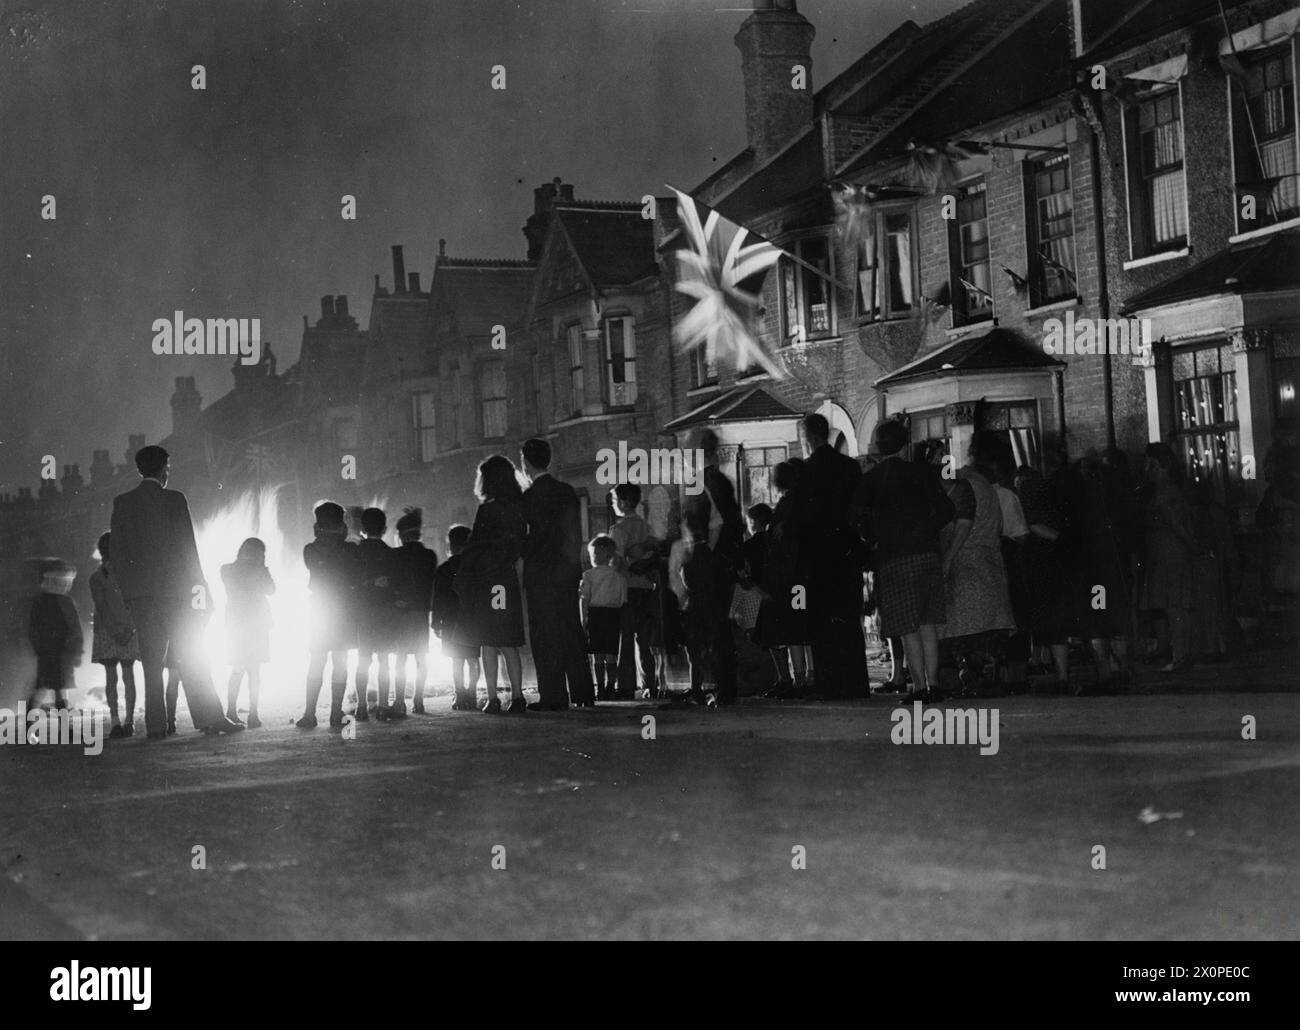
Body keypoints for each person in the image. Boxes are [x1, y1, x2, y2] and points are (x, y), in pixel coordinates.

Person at [109, 445, 241, 739]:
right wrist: (201, 590)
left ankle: (155, 726)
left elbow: (117, 553)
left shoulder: (122, 503)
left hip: (141, 597)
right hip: (177, 595)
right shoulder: (174, 499)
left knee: (152, 664)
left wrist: (129, 592)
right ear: (164, 468)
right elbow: (187, 550)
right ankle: (210, 718)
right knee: (192, 657)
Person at [855, 419, 955, 704]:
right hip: (926, 552)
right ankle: (934, 684)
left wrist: (875, 537)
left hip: (894, 557)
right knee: (927, 622)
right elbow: (947, 509)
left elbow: (857, 518)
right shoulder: (920, 473)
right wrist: (925, 529)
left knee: (907, 625)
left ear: (878, 444)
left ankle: (920, 687)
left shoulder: (872, 479)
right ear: (903, 444)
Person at [939, 431, 1016, 694]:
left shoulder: (966, 485)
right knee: (988, 628)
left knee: (967, 629)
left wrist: (947, 558)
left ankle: (973, 678)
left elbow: (962, 523)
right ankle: (989, 677)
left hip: (968, 564)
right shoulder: (989, 487)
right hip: (990, 563)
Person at [520, 438, 594, 710]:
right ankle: (583, 691)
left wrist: (525, 549)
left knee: (545, 635)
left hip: (540, 574)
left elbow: (533, 536)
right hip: (566, 571)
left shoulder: (528, 498)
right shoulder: (566, 492)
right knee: (570, 629)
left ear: (525, 463)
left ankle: (553, 695)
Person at [451, 455, 528, 715]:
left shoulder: (489, 509)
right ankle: (517, 696)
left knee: (487, 641)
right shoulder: (519, 507)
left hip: (486, 579)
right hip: (505, 577)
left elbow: (475, 545)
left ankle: (493, 697)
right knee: (507, 640)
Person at [799, 413, 868, 699]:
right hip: (847, 551)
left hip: (818, 555)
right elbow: (860, 508)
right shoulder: (849, 467)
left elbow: (801, 517)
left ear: (809, 437)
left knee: (822, 620)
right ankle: (855, 682)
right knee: (850, 618)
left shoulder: (807, 471)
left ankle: (829, 682)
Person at [682, 430, 743, 704]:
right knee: (717, 627)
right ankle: (721, 685)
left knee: (710, 627)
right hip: (716, 561)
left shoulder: (700, 482)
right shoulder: (719, 481)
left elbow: (708, 525)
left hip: (706, 562)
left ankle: (718, 687)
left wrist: (702, 555)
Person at [1141, 442, 1200, 672]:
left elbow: (1177, 524)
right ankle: (1179, 654)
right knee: (1172, 605)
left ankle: (1181, 656)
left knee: (1175, 605)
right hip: (1166, 553)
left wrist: (1192, 546)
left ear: (1162, 465)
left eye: (1151, 464)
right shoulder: (1165, 490)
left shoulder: (1165, 492)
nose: (1147, 470)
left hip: (1170, 554)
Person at [298, 501, 357, 729]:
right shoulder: (350, 550)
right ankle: (335, 713)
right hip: (343, 609)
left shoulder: (310, 550)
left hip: (319, 608)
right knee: (340, 661)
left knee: (316, 661)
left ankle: (309, 713)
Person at [757, 461, 813, 696]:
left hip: (790, 576)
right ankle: (809, 675)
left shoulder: (786, 505)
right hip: (803, 574)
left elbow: (778, 540)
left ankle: (801, 678)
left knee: (794, 629)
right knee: (803, 628)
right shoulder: (802, 502)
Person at [609, 483, 659, 699]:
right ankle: (650, 684)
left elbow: (616, 562)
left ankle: (626, 686)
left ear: (623, 502)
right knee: (644, 640)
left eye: (614, 500)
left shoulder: (617, 530)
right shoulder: (646, 527)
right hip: (646, 587)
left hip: (627, 588)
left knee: (625, 639)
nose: (613, 504)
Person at [89, 532, 140, 738]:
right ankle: (126, 721)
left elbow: (102, 608)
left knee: (113, 678)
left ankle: (118, 722)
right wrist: (128, 628)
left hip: (109, 631)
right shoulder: (128, 573)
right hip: (121, 631)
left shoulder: (96, 577)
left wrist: (118, 630)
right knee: (127, 677)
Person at [220, 537, 274, 728]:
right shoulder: (258, 570)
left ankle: (232, 711)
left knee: (237, 669)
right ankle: (253, 714)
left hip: (237, 624)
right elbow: (271, 589)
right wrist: (262, 568)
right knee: (254, 671)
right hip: (255, 623)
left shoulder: (227, 569)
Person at [354, 507, 401, 719]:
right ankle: (383, 705)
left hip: (363, 612)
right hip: (385, 613)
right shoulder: (391, 553)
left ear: (361, 528)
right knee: (384, 660)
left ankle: (361, 706)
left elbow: (351, 582)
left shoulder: (355, 552)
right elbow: (394, 584)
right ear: (384, 528)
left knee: (363, 660)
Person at [391, 508, 439, 714]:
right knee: (421, 657)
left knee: (400, 658)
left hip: (401, 613)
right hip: (421, 612)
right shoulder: (429, 556)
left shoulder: (396, 555)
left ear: (401, 535)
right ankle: (418, 699)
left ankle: (400, 700)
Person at [432, 525, 481, 711]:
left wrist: (436, 622)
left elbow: (439, 598)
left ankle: (460, 695)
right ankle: (473, 693)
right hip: (472, 619)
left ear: (450, 545)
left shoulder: (444, 568)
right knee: (473, 658)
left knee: (456, 659)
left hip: (451, 620)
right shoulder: (476, 568)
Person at [28, 559, 82, 712]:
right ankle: (62, 728)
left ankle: (33, 726)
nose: (66, 585)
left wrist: (76, 652)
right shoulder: (59, 601)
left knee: (52, 689)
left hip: (57, 653)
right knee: (53, 689)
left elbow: (74, 629)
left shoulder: (49, 601)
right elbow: (34, 629)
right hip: (53, 653)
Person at [580, 535, 626, 699]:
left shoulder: (588, 575)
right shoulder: (618, 577)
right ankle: (610, 687)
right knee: (612, 654)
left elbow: (584, 599)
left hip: (595, 614)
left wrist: (583, 620)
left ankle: (600, 688)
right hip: (613, 615)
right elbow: (622, 599)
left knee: (597, 655)